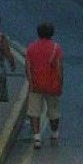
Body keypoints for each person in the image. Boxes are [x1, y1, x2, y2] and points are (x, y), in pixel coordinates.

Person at [25, 21, 64, 150]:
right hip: (52, 85)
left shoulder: (31, 48)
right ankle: (54, 133)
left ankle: (37, 137)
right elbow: (59, 68)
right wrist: (60, 84)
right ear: (51, 34)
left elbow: (28, 68)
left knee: (34, 111)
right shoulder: (56, 48)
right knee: (53, 110)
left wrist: (30, 83)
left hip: (36, 84)